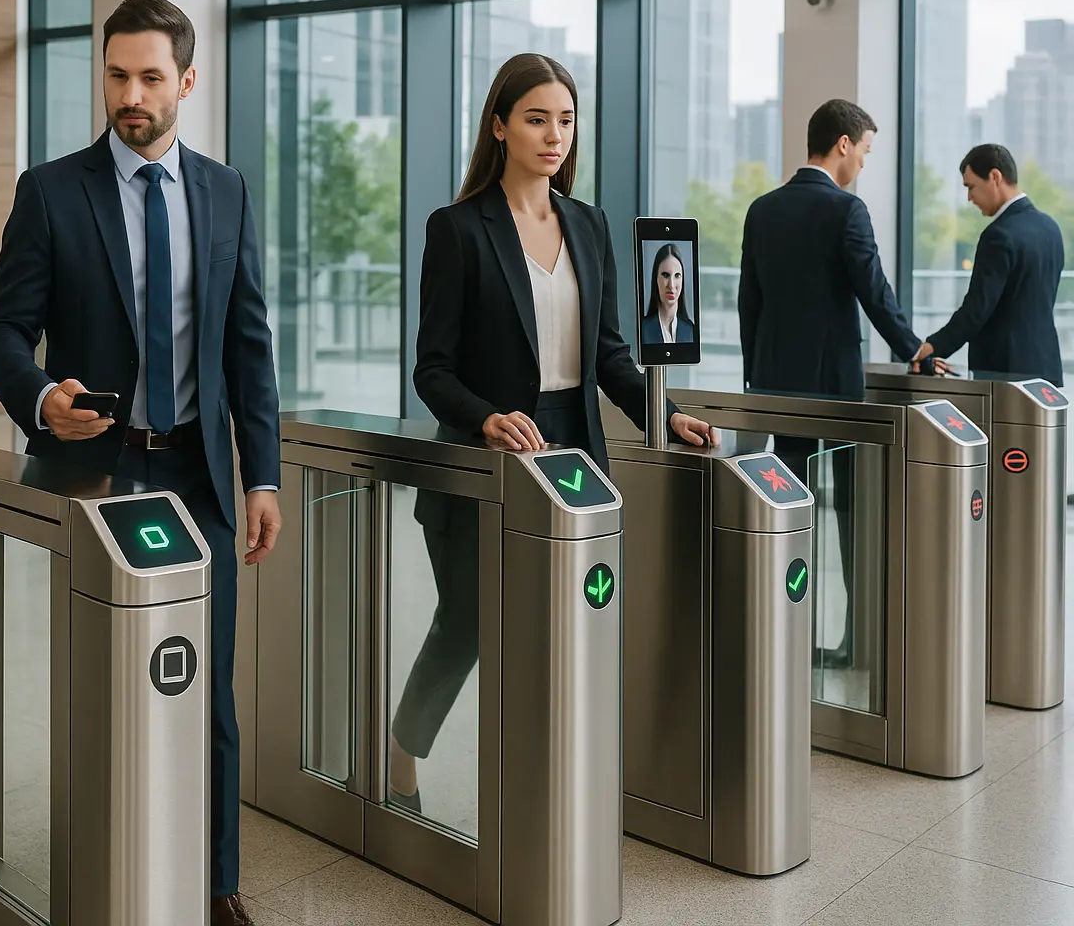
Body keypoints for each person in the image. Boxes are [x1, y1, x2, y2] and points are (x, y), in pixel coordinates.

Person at [0, 0, 281, 926]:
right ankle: (106, 867)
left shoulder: (225, 191)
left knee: (208, 687)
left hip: (201, 476)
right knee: (105, 682)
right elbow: (2, 334)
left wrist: (263, 476)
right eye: (117, 76)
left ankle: (216, 883)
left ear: (187, 81)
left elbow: (249, 347)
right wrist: (42, 398)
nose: (132, 96)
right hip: (96, 477)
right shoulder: (50, 191)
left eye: (151, 78)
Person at [390, 53, 717, 811]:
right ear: (499, 127)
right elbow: (431, 370)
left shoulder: (589, 224)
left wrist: (666, 413)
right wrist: (485, 416)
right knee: (467, 624)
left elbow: (610, 355)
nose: (554, 136)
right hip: (487, 452)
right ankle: (402, 757)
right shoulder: (458, 229)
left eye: (565, 120)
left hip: (574, 450)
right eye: (536, 119)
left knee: (567, 621)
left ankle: (546, 787)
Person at [738, 98, 927, 666]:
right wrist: (914, 349)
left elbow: (750, 304)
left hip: (776, 386)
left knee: (787, 509)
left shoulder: (763, 209)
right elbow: (874, 290)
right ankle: (852, 640)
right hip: (836, 392)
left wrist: (757, 378)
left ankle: (783, 632)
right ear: (843, 143)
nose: (864, 162)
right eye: (865, 149)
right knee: (850, 514)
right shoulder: (847, 210)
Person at [911, 144, 1064, 384]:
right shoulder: (1050, 228)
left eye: (971, 187)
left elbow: (976, 309)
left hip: (1004, 373)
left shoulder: (998, 235)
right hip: (1046, 369)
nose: (969, 198)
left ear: (995, 177)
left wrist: (932, 347)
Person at [641, 242, 696, 344]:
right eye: (665, 275)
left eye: (677, 276)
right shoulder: (642, 330)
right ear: (656, 279)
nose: (671, 285)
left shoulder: (691, 331)